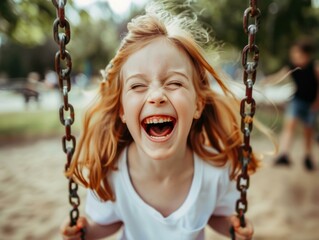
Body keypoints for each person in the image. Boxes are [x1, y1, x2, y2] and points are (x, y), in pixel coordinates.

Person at [60, 2, 258, 239]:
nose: (156, 97)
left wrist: (233, 229)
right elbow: (107, 224)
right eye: (137, 85)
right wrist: (83, 233)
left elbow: (214, 214)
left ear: (198, 104)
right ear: (122, 109)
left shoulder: (215, 171)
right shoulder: (111, 172)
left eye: (174, 83)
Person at [265, 37, 319, 170]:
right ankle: (284, 154)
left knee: (308, 130)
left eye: (297, 53)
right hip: (297, 100)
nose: (293, 56)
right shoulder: (292, 66)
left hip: (312, 103)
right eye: (293, 53)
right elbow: (279, 76)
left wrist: (317, 103)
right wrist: (265, 80)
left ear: (306, 55)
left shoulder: (315, 67)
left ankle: (308, 157)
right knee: (289, 125)